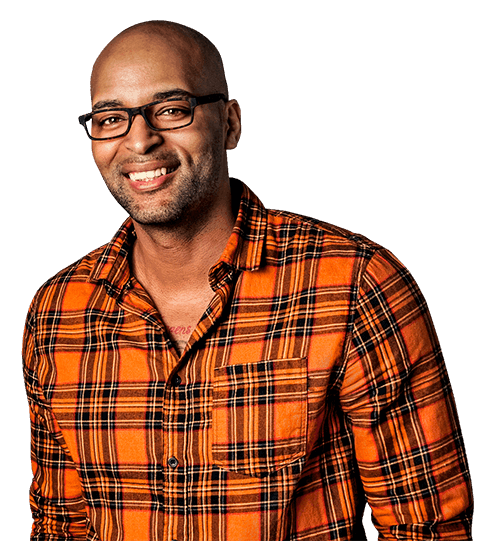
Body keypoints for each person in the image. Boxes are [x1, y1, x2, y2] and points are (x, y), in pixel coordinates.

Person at [22, 20, 473, 541]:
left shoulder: (356, 284)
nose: (139, 140)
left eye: (172, 109)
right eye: (110, 118)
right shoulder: (58, 310)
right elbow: (59, 527)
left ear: (230, 124)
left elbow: (429, 528)